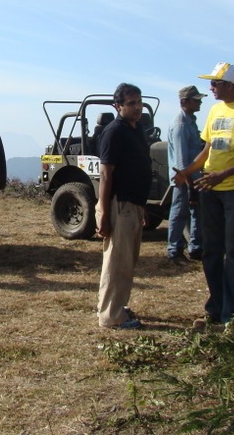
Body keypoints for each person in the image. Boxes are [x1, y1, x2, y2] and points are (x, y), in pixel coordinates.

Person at [173, 63, 234, 325]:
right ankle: (216, 306)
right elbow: (207, 151)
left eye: (214, 83)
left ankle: (233, 312)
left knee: (232, 251)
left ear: (229, 84)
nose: (211, 88)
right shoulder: (214, 110)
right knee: (211, 250)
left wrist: (222, 175)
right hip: (209, 188)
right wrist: (187, 172)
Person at [96, 83, 152, 330]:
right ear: (118, 106)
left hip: (135, 204)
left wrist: (144, 207)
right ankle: (111, 316)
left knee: (127, 261)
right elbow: (106, 175)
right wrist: (104, 213)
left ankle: (117, 305)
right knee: (117, 261)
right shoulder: (114, 132)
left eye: (139, 102)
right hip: (121, 204)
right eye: (131, 103)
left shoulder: (137, 129)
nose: (137, 107)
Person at [166, 85, 206, 266]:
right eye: (196, 100)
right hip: (183, 179)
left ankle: (195, 248)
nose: (200, 102)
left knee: (196, 213)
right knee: (180, 213)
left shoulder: (190, 121)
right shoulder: (180, 125)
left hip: (193, 177)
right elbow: (182, 162)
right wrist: (190, 185)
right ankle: (174, 251)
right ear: (184, 102)